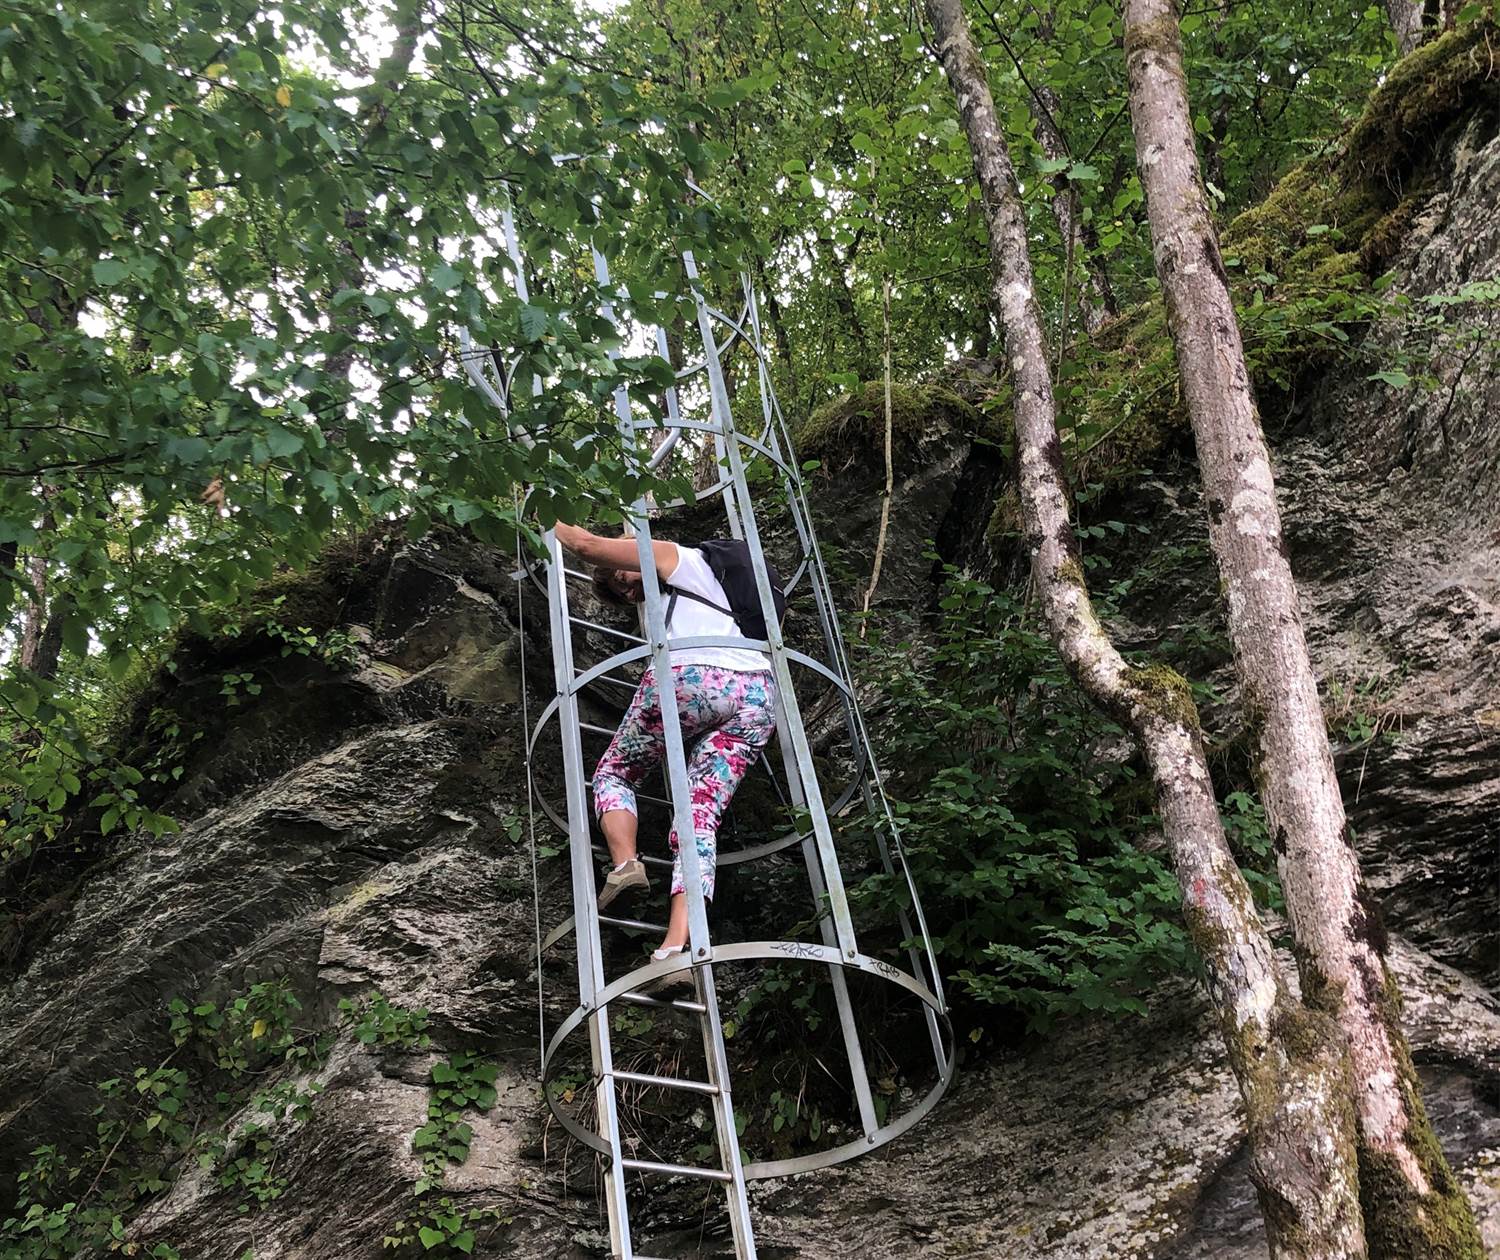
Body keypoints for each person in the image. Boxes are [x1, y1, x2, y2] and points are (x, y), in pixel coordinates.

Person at [551, 523, 778, 980]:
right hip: (757, 695)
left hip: (692, 677)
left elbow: (585, 545)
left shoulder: (677, 556)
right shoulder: (722, 591)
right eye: (623, 591)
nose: (629, 589)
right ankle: (674, 952)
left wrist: (537, 504)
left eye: (623, 577)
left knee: (615, 773)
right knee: (699, 817)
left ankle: (626, 865)